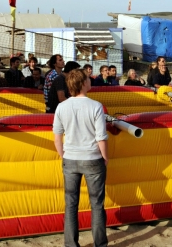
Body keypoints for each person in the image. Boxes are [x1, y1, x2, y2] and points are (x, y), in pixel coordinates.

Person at [53, 69, 109, 247]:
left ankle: (71, 244)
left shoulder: (62, 107)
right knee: (97, 204)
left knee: (70, 204)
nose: (90, 80)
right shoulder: (95, 106)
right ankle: (100, 244)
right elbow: (101, 137)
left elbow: (57, 137)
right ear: (83, 83)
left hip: (70, 159)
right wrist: (105, 158)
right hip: (92, 158)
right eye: (87, 79)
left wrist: (64, 156)